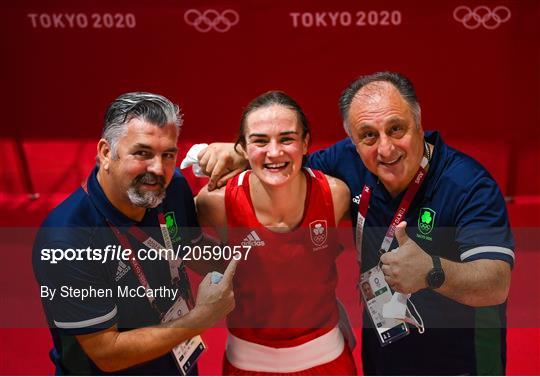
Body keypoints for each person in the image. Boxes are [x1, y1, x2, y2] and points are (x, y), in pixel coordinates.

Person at [195, 72, 515, 375]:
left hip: (460, 358)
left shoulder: (468, 185)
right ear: (352, 139)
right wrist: (239, 151)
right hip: (384, 349)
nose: (385, 148)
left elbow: (495, 284)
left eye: (396, 129)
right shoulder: (347, 160)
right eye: (368, 136)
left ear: (418, 123)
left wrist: (432, 271)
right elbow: (282, 161)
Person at [32, 92, 237, 375]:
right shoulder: (67, 238)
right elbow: (107, 353)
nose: (157, 168)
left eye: (168, 155)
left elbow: (188, 248)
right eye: (142, 153)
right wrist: (199, 319)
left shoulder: (171, 188)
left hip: (177, 363)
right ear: (106, 153)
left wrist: (256, 262)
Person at [195, 91, 357, 375]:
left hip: (328, 363)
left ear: (305, 143)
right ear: (242, 149)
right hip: (246, 365)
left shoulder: (335, 195)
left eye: (287, 139)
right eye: (259, 141)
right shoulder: (216, 203)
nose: (274, 152)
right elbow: (175, 244)